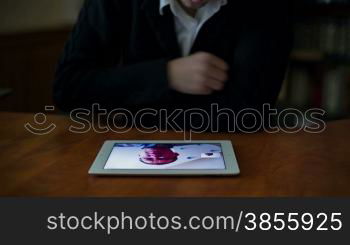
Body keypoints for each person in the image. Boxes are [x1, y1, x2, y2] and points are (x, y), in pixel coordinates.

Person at [53, 0, 292, 130]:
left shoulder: (267, 5)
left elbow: (249, 114)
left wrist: (130, 107)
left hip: (239, 157)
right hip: (129, 156)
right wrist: (166, 76)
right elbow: (69, 89)